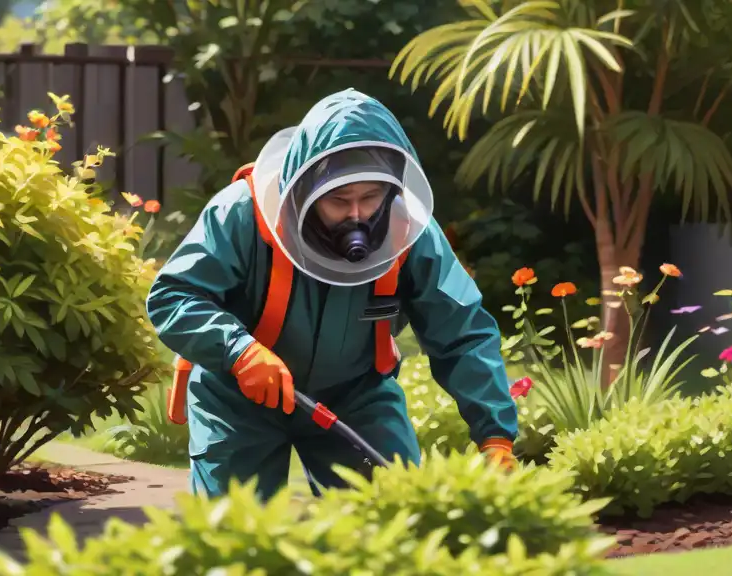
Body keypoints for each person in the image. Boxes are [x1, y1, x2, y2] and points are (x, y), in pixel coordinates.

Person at [146, 88, 518, 501]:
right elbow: (173, 296)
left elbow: (462, 329)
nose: (357, 215)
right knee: (231, 538)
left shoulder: (409, 233)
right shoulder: (241, 213)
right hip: (238, 398)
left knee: (398, 517)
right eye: (340, 201)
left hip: (356, 397)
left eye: (371, 197)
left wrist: (496, 434)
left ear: (393, 189)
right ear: (304, 188)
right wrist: (239, 351)